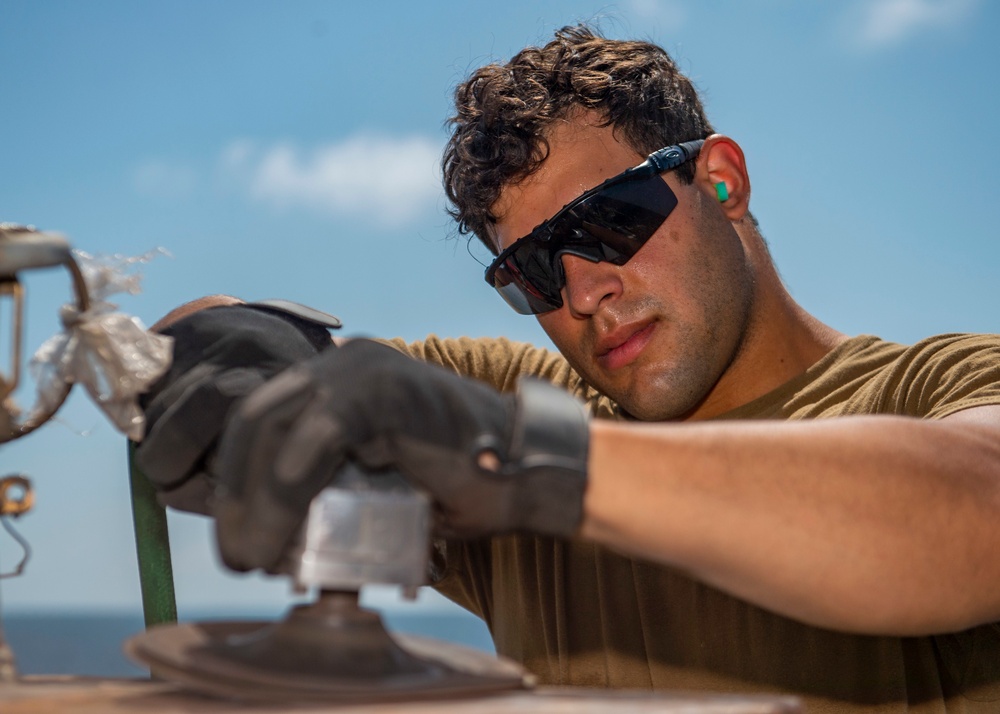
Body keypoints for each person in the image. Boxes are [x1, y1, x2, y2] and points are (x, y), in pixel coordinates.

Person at [137, 26, 1000, 713]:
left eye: (612, 220)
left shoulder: (933, 391)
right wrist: (221, 356)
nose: (584, 291)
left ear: (723, 182)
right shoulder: (519, 406)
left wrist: (529, 464)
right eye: (536, 271)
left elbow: (976, 509)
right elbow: (234, 340)